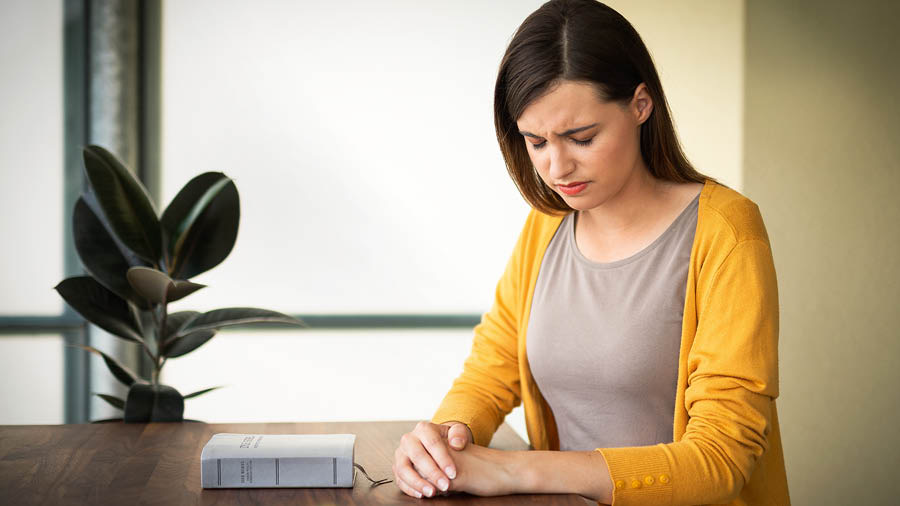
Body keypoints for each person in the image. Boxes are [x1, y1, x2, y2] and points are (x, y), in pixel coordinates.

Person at [391, 0, 790, 504]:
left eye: (581, 137)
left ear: (641, 104)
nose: (557, 168)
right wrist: (447, 439)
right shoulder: (548, 224)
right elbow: (493, 365)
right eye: (536, 142)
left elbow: (720, 460)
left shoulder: (727, 233)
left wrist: (517, 471)